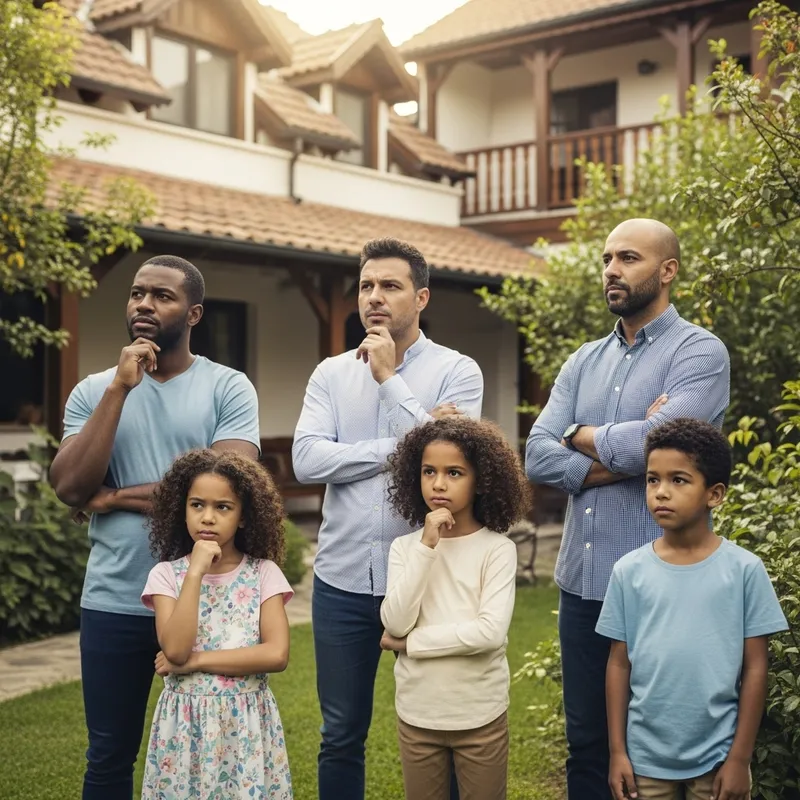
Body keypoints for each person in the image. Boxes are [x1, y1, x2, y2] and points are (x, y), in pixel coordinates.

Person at [525, 218, 731, 799]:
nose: (612, 269)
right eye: (608, 258)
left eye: (629, 258)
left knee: (663, 739)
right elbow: (537, 456)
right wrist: (635, 446)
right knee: (586, 741)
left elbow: (665, 447)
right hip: (582, 584)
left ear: (667, 271)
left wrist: (579, 432)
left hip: (663, 582)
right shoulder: (583, 361)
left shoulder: (700, 353)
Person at [49, 255, 260, 800]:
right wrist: (121, 389)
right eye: (137, 293)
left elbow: (225, 490)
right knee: (109, 754)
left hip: (207, 600)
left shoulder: (228, 387)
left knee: (212, 752)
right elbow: (71, 487)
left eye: (161, 296)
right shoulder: (94, 390)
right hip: (115, 597)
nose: (144, 304)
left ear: (193, 314)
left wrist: (115, 496)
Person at [292, 237, 484, 800]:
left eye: (391, 286)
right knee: (340, 734)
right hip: (342, 580)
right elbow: (307, 460)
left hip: (430, 578)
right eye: (367, 286)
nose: (375, 298)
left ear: (421, 297)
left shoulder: (459, 371)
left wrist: (389, 381)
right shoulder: (329, 374)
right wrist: (407, 442)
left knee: (441, 730)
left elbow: (452, 460)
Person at [597, 418, 788, 800]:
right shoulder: (628, 571)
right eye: (653, 479)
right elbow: (619, 663)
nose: (661, 492)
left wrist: (739, 759)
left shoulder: (744, 570)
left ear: (714, 494)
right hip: (645, 758)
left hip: (718, 759)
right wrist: (618, 752)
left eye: (678, 480)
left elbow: (755, 667)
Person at [380, 417, 530, 800]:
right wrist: (426, 548)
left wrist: (411, 645)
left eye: (454, 472)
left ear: (481, 481)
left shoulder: (497, 549)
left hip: (479, 715)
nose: (439, 484)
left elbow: (489, 633)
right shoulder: (405, 548)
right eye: (429, 471)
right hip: (417, 715)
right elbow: (395, 620)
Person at [140, 449, 293, 799]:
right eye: (197, 505)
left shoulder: (263, 574)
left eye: (222, 507)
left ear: (242, 516)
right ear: (183, 509)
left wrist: (196, 661)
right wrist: (195, 572)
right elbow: (175, 648)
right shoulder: (166, 576)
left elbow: (276, 654)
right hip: (185, 727)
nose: (207, 517)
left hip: (246, 725)